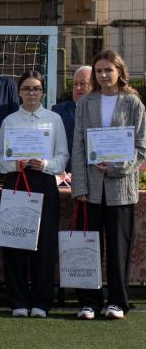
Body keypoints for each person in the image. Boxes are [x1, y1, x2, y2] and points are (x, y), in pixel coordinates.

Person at [71, 50, 146, 320]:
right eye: (99, 70)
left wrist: (116, 168)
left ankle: (117, 302)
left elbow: (141, 147)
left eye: (108, 70)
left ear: (119, 72)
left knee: (118, 248)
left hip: (121, 189)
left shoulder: (133, 103)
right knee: (89, 245)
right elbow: (78, 145)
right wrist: (79, 185)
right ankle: (89, 302)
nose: (103, 75)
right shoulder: (85, 103)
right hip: (90, 189)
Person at [0, 70, 69, 318]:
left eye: (36, 88)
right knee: (15, 242)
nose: (31, 93)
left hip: (45, 183)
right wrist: (13, 165)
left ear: (43, 92)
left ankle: (40, 302)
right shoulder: (10, 121)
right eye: (26, 88)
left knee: (44, 244)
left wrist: (45, 164)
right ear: (19, 92)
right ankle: (17, 301)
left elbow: (63, 156)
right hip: (17, 181)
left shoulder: (53, 119)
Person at [51, 66, 92, 173]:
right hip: (64, 174)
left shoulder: (104, 111)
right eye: (75, 84)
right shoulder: (58, 111)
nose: (78, 88)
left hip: (96, 174)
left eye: (83, 84)